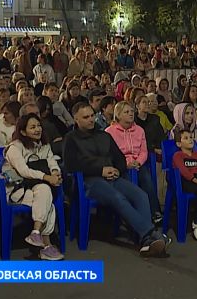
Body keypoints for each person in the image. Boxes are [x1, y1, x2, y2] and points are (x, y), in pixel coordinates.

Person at [63, 103, 168, 257]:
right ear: (76, 119)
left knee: (141, 195)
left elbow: (119, 158)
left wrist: (117, 169)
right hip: (88, 181)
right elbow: (71, 165)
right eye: (86, 117)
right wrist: (100, 170)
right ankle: (149, 234)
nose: (91, 119)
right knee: (117, 197)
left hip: (112, 177)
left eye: (92, 115)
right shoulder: (71, 138)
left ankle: (146, 241)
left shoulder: (103, 135)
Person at [3, 113, 64, 260]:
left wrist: (55, 172)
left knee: (44, 192)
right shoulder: (14, 148)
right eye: (32, 127)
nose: (37, 129)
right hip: (19, 189)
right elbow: (24, 171)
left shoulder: (44, 145)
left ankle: (36, 234)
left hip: (39, 187)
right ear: (23, 131)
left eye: (38, 126)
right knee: (48, 199)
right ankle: (46, 245)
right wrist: (47, 177)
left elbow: (52, 161)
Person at [106, 101, 161, 224]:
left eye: (132, 111)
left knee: (146, 178)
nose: (131, 114)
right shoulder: (109, 131)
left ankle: (154, 212)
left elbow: (144, 151)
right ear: (118, 115)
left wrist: (138, 163)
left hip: (137, 164)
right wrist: (125, 164)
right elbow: (109, 154)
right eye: (126, 112)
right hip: (120, 165)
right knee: (128, 181)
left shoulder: (139, 130)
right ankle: (132, 214)